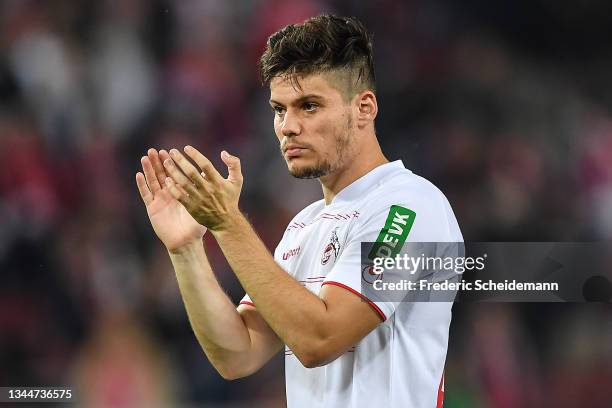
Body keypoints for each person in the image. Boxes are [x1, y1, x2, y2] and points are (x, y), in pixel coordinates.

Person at [135, 14, 462, 408]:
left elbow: (319, 339)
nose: (287, 126)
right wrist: (187, 249)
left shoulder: (411, 208)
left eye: (309, 106)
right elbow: (238, 353)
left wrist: (228, 223)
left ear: (364, 108)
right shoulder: (302, 228)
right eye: (279, 109)